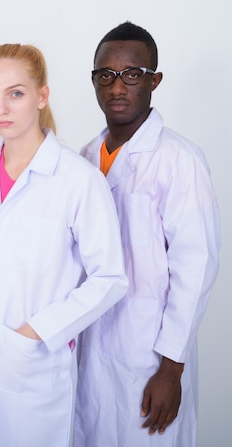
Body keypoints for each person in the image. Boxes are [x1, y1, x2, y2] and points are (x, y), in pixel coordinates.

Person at [0, 43, 128, 447]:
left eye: (15, 93)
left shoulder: (77, 179)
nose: (1, 109)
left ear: (41, 96)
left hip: (34, 361)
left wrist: (38, 333)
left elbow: (110, 278)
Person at [75, 22, 221, 447]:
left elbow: (197, 265)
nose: (117, 87)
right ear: (94, 82)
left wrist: (171, 369)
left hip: (150, 355)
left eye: (131, 74)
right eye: (106, 75)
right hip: (91, 349)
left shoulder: (180, 160)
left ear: (153, 81)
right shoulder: (85, 158)